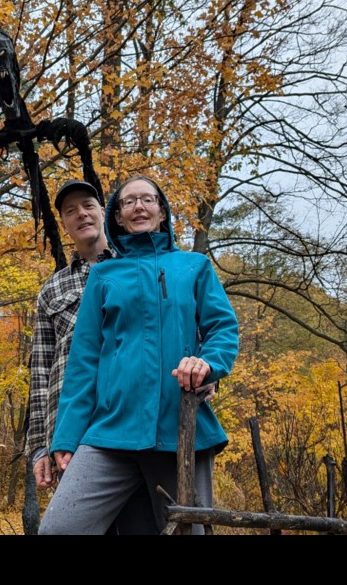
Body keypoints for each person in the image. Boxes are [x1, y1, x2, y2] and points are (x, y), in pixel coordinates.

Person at [38, 175, 239, 535]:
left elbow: (222, 330)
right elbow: (83, 363)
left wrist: (208, 364)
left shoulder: (194, 267)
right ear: (117, 216)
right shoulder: (103, 275)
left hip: (179, 428)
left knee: (187, 531)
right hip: (111, 432)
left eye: (147, 199)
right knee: (58, 528)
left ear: (162, 211)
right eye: (129, 202)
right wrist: (65, 438)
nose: (139, 207)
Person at [26, 178, 156, 534]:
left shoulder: (141, 267)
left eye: (88, 205)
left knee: (141, 525)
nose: (80, 214)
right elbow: (40, 374)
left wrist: (207, 380)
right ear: (64, 225)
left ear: (104, 212)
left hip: (134, 423)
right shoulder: (51, 290)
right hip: (75, 434)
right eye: (70, 211)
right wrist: (40, 446)